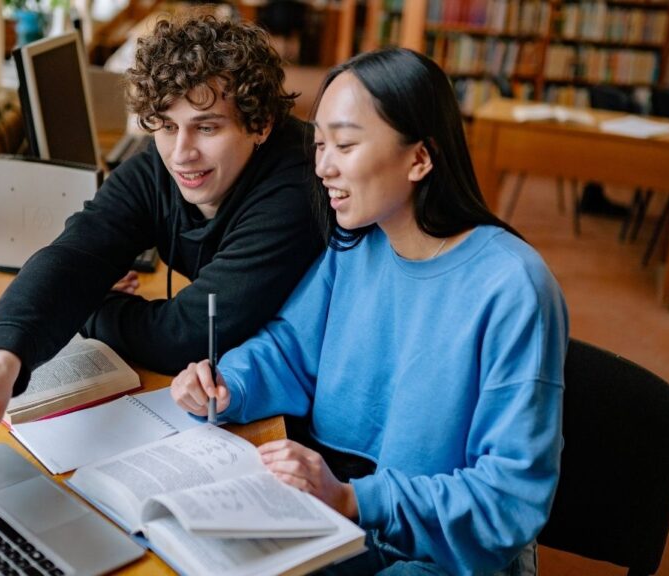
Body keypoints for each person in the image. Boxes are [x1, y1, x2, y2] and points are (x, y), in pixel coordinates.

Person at [171, 47, 569, 575]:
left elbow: (507, 500)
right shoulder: (355, 242)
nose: (322, 167)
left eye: (346, 144)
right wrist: (228, 382)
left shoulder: (513, 286)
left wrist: (355, 500)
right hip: (347, 520)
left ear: (420, 158)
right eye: (318, 145)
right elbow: (291, 348)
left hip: (444, 556)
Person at [0, 13, 323, 452]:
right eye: (166, 125)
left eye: (207, 127)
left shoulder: (297, 184)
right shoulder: (161, 162)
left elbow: (185, 335)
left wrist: (95, 304)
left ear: (259, 123)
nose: (181, 154)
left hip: (306, 425)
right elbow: (78, 251)